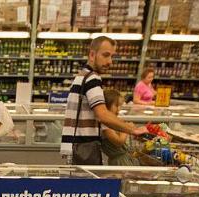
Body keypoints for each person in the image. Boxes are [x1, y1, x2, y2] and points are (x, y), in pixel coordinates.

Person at [60, 36, 147, 165]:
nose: (109, 61)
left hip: (76, 147)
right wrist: (132, 129)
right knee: (89, 185)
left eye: (112, 56)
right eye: (105, 55)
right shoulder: (92, 79)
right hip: (85, 149)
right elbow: (102, 115)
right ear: (92, 54)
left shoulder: (82, 76)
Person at [101, 89, 138, 166]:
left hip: (124, 159)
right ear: (107, 105)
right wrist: (126, 128)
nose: (118, 109)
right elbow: (118, 142)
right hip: (119, 162)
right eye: (116, 105)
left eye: (120, 106)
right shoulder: (105, 124)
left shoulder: (113, 121)